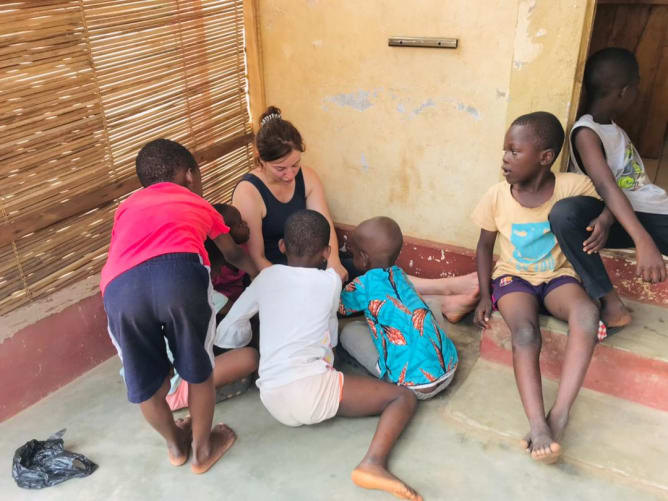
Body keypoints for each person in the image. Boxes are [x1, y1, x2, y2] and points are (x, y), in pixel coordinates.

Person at [216, 210, 422, 501]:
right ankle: (373, 463)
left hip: (272, 396)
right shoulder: (330, 282)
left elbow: (228, 332)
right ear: (327, 252)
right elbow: (331, 337)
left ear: (283, 247)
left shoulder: (265, 277)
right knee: (403, 398)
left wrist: (251, 338)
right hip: (312, 390)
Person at [234, 105, 479, 321]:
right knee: (362, 293)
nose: (290, 174)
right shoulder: (249, 192)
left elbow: (325, 225)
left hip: (315, 263)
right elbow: (258, 260)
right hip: (279, 274)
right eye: (280, 168)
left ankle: (446, 286)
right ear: (260, 160)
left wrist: (333, 263)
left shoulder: (306, 177)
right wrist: (299, 286)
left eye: (295, 164)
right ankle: (447, 291)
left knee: (371, 272)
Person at [101, 139, 258, 474]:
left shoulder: (126, 207)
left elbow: (123, 254)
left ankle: (175, 445)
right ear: (189, 175)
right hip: (178, 275)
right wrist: (262, 273)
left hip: (119, 289)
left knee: (144, 380)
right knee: (198, 371)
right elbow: (232, 254)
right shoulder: (197, 203)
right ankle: (202, 451)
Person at [473, 112, 604, 464]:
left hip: (557, 278)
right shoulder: (497, 196)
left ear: (545, 157)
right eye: (505, 150)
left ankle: (559, 414)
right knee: (526, 334)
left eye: (514, 151)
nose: (505, 158)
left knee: (587, 314)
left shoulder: (571, 187)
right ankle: (537, 423)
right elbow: (485, 246)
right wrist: (486, 295)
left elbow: (608, 201)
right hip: (513, 279)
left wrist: (605, 219)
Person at [549, 47, 667, 328]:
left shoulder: (615, 130)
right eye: (637, 87)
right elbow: (605, 186)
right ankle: (610, 302)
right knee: (564, 214)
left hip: (647, 214)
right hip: (640, 222)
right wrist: (643, 241)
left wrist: (606, 215)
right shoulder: (587, 133)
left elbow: (618, 189)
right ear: (625, 91)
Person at [339, 217, 458, 400]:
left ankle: (391, 373)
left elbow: (340, 307)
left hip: (413, 386)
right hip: (448, 368)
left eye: (353, 253)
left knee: (349, 331)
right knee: (427, 307)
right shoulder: (400, 274)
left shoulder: (363, 285)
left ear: (363, 258)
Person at [204, 203, 251, 304]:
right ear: (225, 233)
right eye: (239, 224)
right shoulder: (214, 270)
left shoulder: (244, 249)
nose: (245, 224)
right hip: (223, 309)